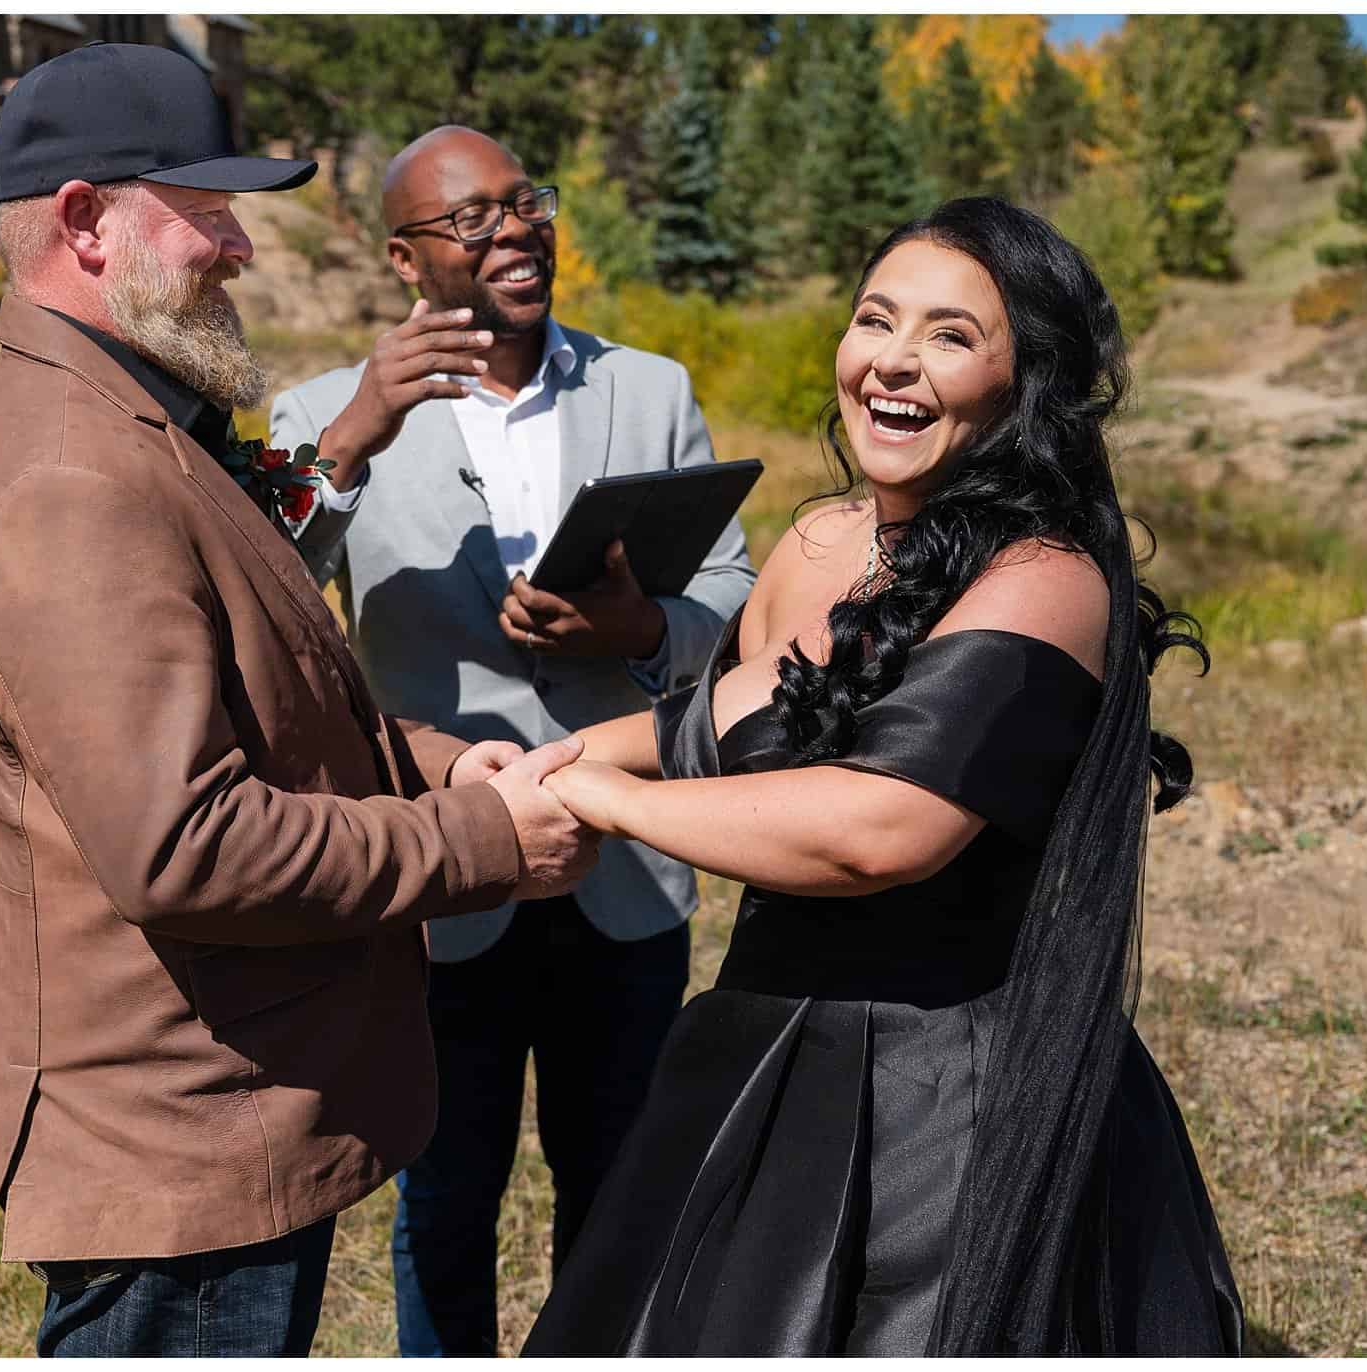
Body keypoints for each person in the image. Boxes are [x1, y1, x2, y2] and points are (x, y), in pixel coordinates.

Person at [0, 46, 599, 1359]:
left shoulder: (136, 426)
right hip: (182, 1166)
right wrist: (486, 845)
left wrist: (445, 767)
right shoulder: (74, 480)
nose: (240, 246)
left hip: (216, 1131)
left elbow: (265, 712)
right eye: (208, 206)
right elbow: (187, 842)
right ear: (84, 223)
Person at [517, 197, 1245, 1356]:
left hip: (944, 1098)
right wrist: (549, 762)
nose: (893, 362)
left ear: (1023, 382)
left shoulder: (1045, 576)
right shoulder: (818, 543)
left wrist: (613, 806)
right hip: (760, 1048)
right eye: (874, 319)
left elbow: (879, 827)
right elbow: (715, 724)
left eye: (951, 336)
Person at [268, 125, 757, 1356]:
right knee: (445, 1196)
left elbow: (738, 594)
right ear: (403, 257)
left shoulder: (649, 390)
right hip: (443, 879)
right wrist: (353, 437)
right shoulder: (319, 414)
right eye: (471, 218)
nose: (515, 231)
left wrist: (639, 622)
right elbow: (253, 597)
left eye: (524, 203)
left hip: (628, 864)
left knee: (626, 1183)